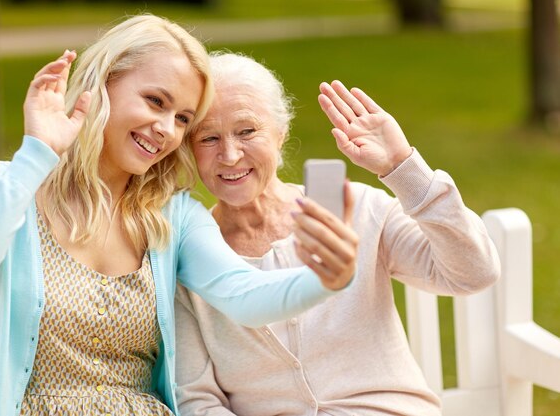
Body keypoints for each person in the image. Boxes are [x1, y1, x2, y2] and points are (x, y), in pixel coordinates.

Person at [0, 16, 350, 416]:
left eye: (183, 119)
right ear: (104, 83)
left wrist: (323, 278)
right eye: (156, 101)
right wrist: (37, 155)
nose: (167, 129)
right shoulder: (7, 187)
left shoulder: (174, 216)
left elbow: (244, 296)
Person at [175, 52, 501, 415]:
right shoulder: (188, 257)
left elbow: (474, 273)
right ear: (187, 149)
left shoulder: (359, 209)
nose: (231, 155)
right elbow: (197, 400)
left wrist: (402, 167)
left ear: (280, 133)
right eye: (208, 138)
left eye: (247, 131)